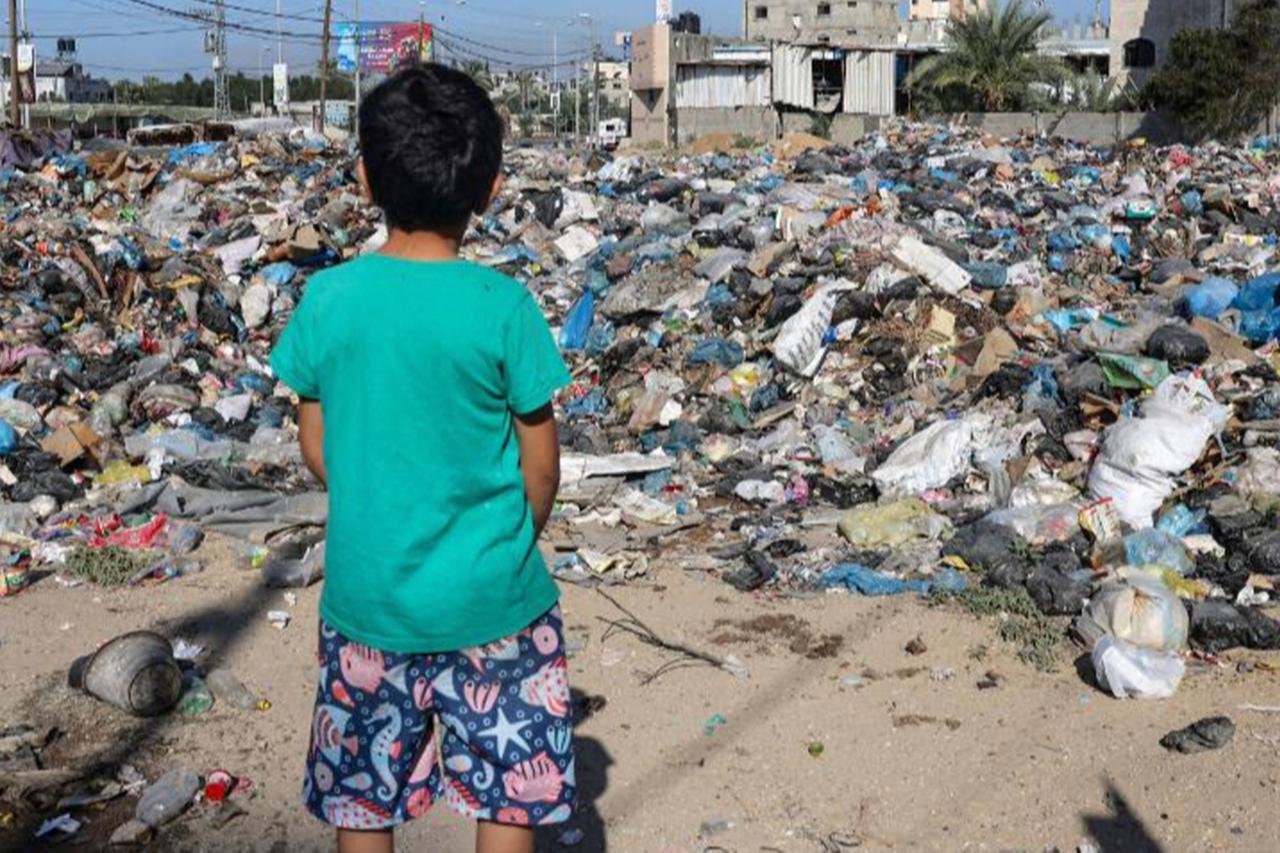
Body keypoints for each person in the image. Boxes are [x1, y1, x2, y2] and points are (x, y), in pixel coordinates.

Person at [271, 63, 575, 853]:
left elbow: (318, 445)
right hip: (497, 602)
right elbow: (540, 466)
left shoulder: (328, 300)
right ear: (491, 188)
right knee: (509, 793)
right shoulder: (504, 307)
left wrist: (380, 492)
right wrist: (509, 538)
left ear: (367, 178)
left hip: (368, 604)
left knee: (364, 803)